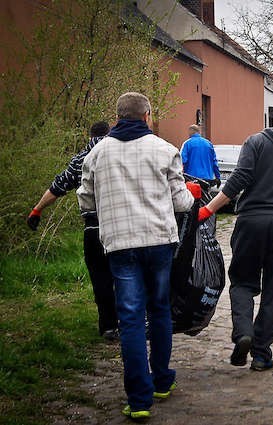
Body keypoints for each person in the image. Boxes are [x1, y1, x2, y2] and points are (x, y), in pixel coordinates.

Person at [77, 92, 197, 421]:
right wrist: (193, 195)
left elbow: (85, 201)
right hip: (158, 241)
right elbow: (181, 202)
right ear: (147, 115)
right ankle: (161, 380)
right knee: (159, 309)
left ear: (117, 117)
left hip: (119, 244)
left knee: (129, 317)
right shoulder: (165, 150)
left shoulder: (97, 154)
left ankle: (140, 399)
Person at [198, 100, 273, 372]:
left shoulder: (255, 142)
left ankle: (243, 332)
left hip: (250, 223)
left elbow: (238, 180)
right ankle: (262, 353)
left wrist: (208, 209)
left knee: (242, 281)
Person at [27, 121, 119, 341]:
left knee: (100, 278)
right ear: (109, 133)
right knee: (125, 275)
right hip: (121, 226)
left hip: (94, 228)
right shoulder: (120, 151)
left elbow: (58, 186)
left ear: (90, 137)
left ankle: (108, 326)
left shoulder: (82, 158)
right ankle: (130, 321)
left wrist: (36, 210)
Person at [181, 124, 221, 188]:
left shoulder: (187, 144)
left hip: (192, 178)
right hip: (207, 179)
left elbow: (183, 161)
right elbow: (214, 162)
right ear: (199, 132)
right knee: (206, 196)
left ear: (190, 132)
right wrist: (218, 177)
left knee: (192, 197)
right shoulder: (208, 144)